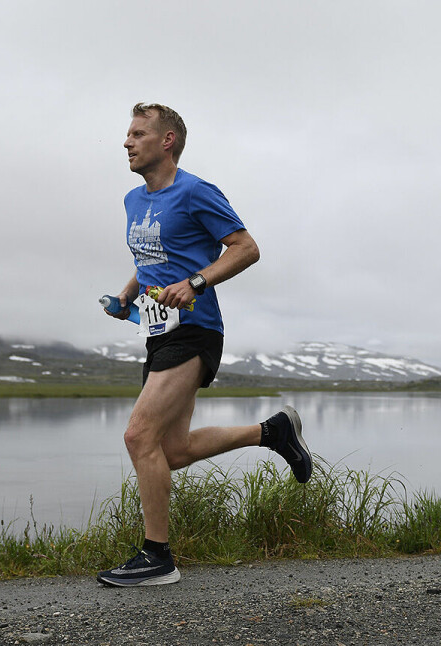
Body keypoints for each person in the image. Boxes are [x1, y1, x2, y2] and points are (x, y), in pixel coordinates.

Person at [96, 103, 313, 586]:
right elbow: (152, 257)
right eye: (127, 134)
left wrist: (195, 282)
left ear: (167, 140)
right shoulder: (133, 200)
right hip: (158, 334)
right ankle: (272, 432)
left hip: (195, 330)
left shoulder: (196, 191)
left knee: (138, 436)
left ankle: (157, 557)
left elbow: (246, 248)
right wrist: (128, 294)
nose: (127, 142)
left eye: (137, 134)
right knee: (171, 450)